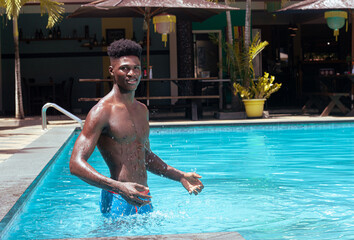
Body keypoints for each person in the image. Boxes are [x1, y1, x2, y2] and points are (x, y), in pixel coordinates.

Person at [69, 39, 204, 217]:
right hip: (118, 196)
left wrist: (179, 176)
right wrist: (120, 187)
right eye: (124, 68)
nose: (132, 73)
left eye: (136, 68)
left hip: (142, 195)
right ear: (112, 71)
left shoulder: (142, 110)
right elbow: (75, 164)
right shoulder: (101, 112)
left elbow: (144, 155)